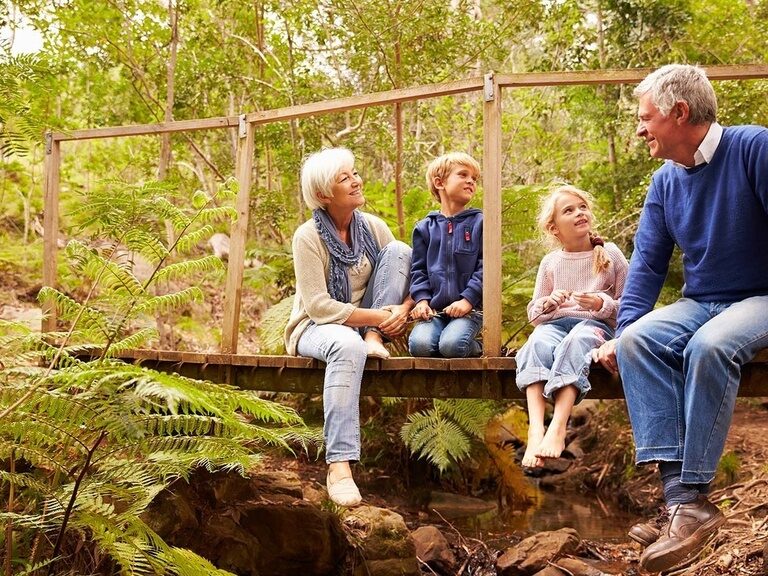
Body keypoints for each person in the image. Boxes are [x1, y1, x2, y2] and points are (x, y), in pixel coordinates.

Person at [593, 64, 768, 573]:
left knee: (709, 346)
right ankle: (681, 502)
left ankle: (690, 502)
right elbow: (646, 264)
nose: (640, 128)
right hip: (705, 300)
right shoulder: (666, 181)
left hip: (761, 295)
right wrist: (622, 332)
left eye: (645, 117)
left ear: (679, 113)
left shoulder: (754, 148)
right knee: (637, 342)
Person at [284, 147, 414, 507]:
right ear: (325, 194)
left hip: (368, 327)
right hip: (317, 326)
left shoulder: (374, 227)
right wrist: (379, 317)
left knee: (400, 250)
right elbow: (319, 305)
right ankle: (339, 465)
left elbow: (407, 277)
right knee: (346, 345)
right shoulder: (307, 236)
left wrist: (402, 310)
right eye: (345, 178)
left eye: (354, 173)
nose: (357, 180)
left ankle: (372, 339)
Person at [515, 185, 628, 468]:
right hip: (554, 324)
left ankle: (558, 426)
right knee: (537, 343)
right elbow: (534, 316)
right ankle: (536, 428)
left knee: (575, 341)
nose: (579, 213)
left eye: (582, 207)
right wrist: (548, 303)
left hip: (595, 327)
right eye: (569, 210)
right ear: (554, 229)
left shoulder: (611, 255)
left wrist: (600, 304)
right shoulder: (551, 262)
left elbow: (629, 307)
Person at [408, 152, 484, 358]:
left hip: (470, 310)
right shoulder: (424, 228)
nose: (470, 181)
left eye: (474, 178)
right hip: (436, 312)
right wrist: (422, 301)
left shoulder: (480, 222)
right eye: (463, 175)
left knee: (452, 346)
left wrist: (468, 300)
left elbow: (486, 267)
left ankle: (480, 348)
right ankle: (446, 339)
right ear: (440, 183)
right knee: (420, 346)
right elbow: (418, 270)